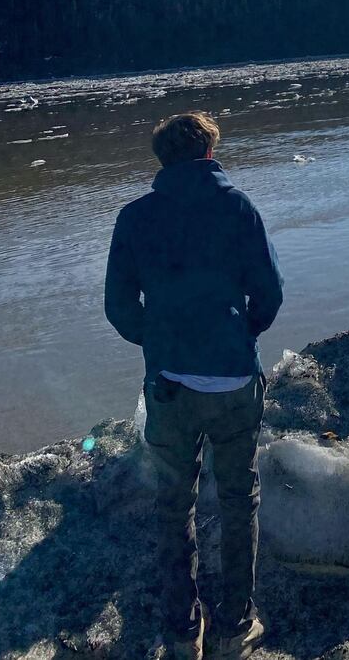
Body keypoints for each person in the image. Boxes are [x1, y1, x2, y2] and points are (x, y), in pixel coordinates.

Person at [104, 111, 284, 660]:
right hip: (233, 380)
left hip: (169, 385)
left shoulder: (135, 217)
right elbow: (269, 294)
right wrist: (239, 334)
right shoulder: (238, 208)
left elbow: (119, 307)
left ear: (162, 159)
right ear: (210, 153)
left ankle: (183, 635)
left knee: (173, 504)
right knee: (237, 501)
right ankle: (233, 627)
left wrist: (159, 342)